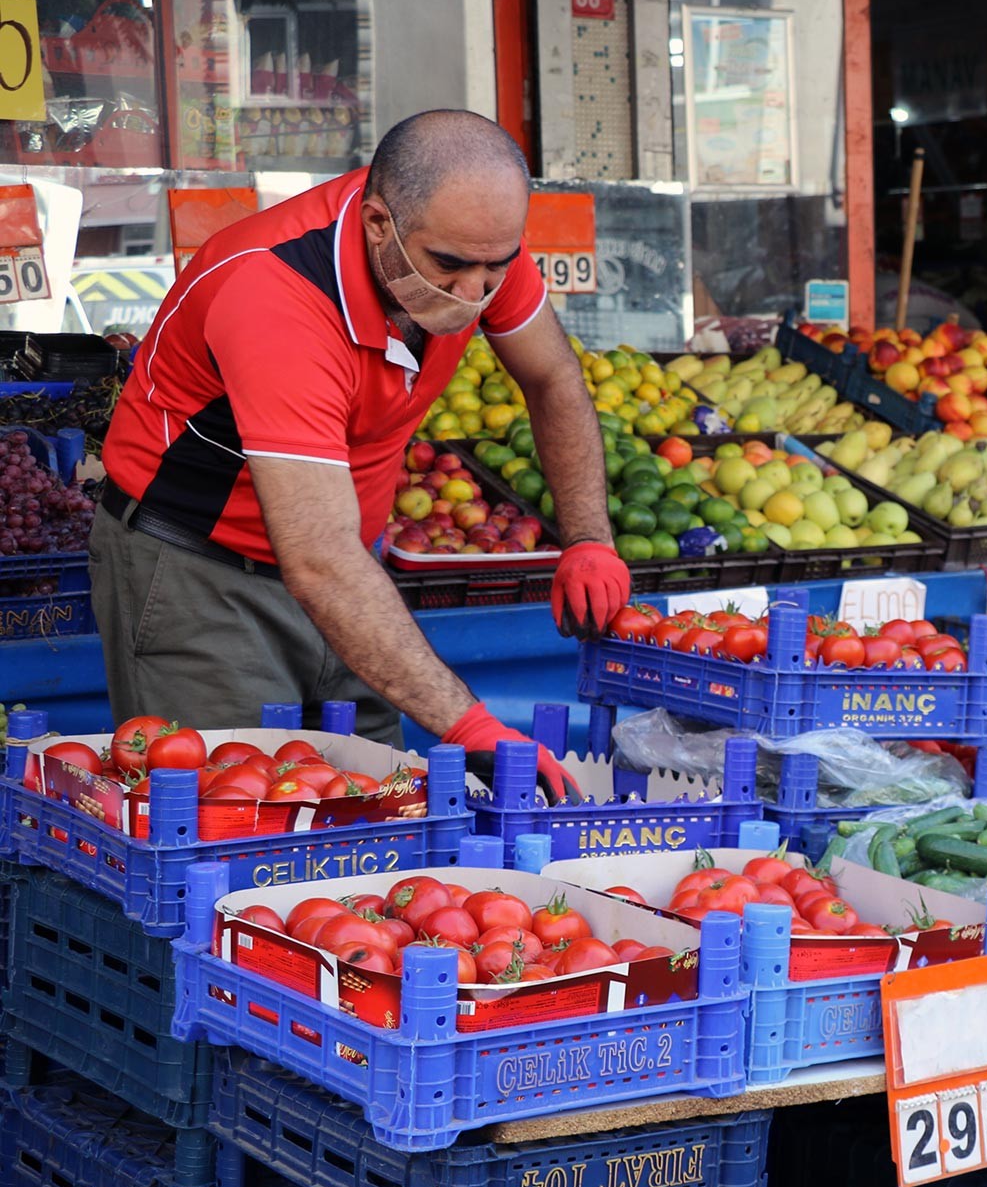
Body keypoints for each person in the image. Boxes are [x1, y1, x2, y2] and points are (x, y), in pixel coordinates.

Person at [91, 110, 628, 794]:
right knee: (235, 818)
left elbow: (552, 377)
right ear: (379, 224)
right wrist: (466, 726)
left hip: (352, 566)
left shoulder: (473, 241)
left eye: (495, 269)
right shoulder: (275, 295)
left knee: (378, 806)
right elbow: (319, 562)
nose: (473, 295)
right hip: (205, 574)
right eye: (451, 268)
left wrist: (588, 538)